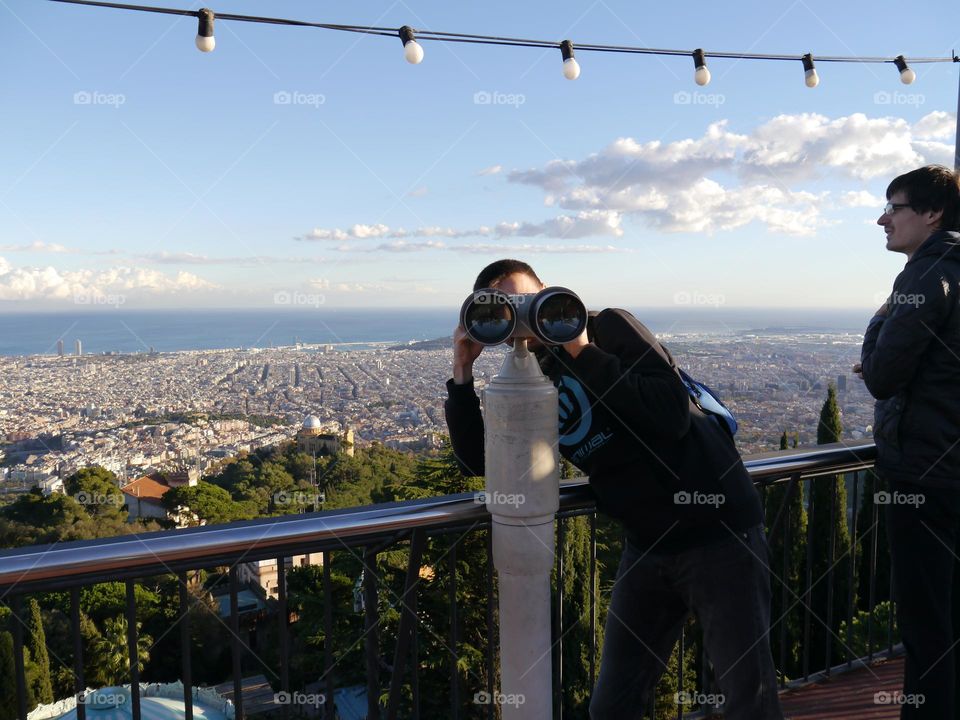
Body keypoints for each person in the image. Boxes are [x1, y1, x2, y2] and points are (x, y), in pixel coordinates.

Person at [444, 259, 783, 719]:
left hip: (717, 532)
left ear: (549, 291)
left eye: (528, 301)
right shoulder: (532, 376)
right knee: (612, 705)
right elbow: (481, 462)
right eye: (505, 311)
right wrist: (462, 373)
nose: (522, 317)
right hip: (646, 545)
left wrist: (581, 348)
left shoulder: (609, 328)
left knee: (747, 699)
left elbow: (670, 414)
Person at [855, 165, 960, 718]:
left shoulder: (925, 275)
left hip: (926, 476)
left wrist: (878, 324)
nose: (883, 219)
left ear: (932, 213)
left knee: (926, 625)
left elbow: (882, 376)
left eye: (893, 207)